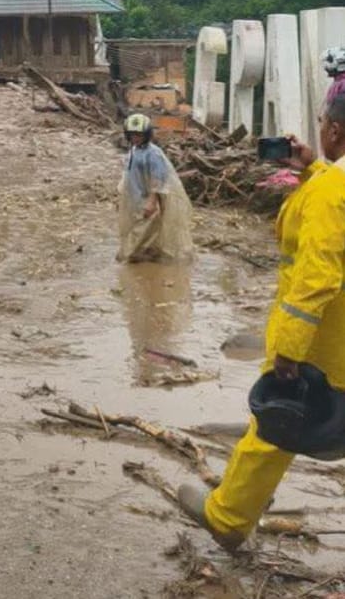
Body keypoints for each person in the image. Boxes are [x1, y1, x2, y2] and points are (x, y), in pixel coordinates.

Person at [179, 101, 345, 550]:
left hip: (325, 339)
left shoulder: (333, 189)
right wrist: (312, 169)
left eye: (323, 124)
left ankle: (227, 518)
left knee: (276, 422)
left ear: (334, 129)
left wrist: (289, 349)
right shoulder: (331, 182)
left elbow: (317, 276)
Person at [117, 113, 193, 263]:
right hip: (135, 199)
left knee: (142, 234)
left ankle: (134, 260)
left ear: (147, 135)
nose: (135, 138)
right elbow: (128, 176)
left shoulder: (153, 154)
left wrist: (152, 201)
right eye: (132, 135)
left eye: (139, 135)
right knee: (142, 232)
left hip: (147, 201)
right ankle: (146, 259)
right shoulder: (134, 150)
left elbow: (158, 180)